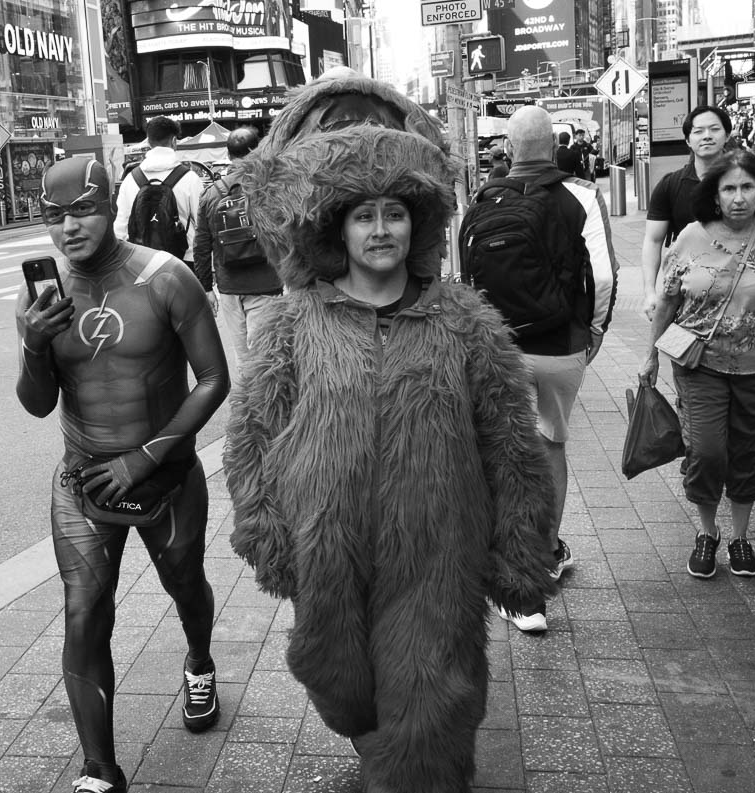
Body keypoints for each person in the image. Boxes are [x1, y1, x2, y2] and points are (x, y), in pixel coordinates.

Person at [226, 121, 558, 793]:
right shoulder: (293, 326)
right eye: (365, 215)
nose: (381, 229)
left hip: (437, 554)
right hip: (332, 556)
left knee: (431, 708)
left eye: (396, 214)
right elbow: (253, 437)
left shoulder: (465, 322)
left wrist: (519, 551)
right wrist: (269, 535)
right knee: (346, 687)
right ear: (339, 230)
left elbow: (512, 447)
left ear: (418, 224)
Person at [15, 158, 230, 793]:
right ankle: (100, 772)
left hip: (162, 475)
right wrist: (32, 344)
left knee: (186, 586)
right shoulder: (42, 298)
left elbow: (214, 379)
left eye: (81, 211)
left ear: (110, 205)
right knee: (84, 609)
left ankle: (198, 662)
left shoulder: (167, 278)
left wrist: (147, 456)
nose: (68, 228)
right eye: (54, 217)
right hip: (82, 480)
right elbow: (37, 403)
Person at [463, 105, 617, 631]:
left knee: (502, 450)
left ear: (508, 150)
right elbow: (604, 276)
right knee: (550, 443)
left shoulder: (483, 199)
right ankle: (547, 550)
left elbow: (466, 279)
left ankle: (506, 557)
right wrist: (593, 334)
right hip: (560, 345)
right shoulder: (581, 196)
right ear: (554, 147)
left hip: (496, 346)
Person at [639, 150, 755, 579]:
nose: (738, 197)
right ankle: (707, 532)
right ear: (715, 196)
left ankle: (739, 537)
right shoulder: (690, 238)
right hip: (700, 365)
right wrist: (650, 354)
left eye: (747, 187)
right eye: (729, 188)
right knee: (707, 451)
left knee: (749, 453)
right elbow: (667, 302)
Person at [193, 126, 282, 375]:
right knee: (266, 355)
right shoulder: (271, 187)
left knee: (243, 359)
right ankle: (266, 407)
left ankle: (247, 407)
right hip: (266, 282)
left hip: (229, 285)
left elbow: (201, 245)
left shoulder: (212, 193)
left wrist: (206, 287)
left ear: (228, 154)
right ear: (258, 150)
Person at [641, 104, 732, 320]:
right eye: (698, 131)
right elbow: (653, 241)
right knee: (684, 353)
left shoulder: (748, 182)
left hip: (739, 293)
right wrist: (650, 292)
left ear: (727, 135)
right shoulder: (671, 185)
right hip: (685, 301)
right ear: (688, 141)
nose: (707, 136)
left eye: (714, 129)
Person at [112, 115, 204, 275]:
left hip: (141, 263)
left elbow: (120, 228)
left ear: (148, 142)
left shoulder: (131, 179)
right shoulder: (190, 179)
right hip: (185, 263)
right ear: (174, 141)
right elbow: (202, 225)